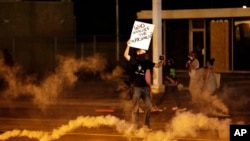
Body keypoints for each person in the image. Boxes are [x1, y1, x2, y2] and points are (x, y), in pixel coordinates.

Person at [123, 39, 164, 129]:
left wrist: (162, 61)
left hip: (145, 88)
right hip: (136, 88)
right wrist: (128, 45)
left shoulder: (147, 62)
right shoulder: (134, 61)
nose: (145, 52)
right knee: (135, 108)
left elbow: (157, 65)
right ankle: (135, 125)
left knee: (149, 106)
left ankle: (146, 124)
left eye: (145, 51)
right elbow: (126, 55)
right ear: (138, 53)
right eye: (142, 50)